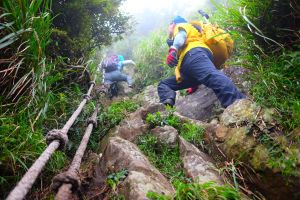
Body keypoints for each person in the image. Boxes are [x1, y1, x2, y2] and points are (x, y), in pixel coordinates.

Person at [158, 16, 245, 108]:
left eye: (169, 25)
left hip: (194, 53)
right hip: (191, 62)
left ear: (173, 24)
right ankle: (167, 107)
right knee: (164, 84)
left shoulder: (181, 25)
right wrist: (194, 82)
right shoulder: (192, 32)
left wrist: (173, 50)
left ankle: (237, 103)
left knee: (211, 75)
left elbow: (181, 36)